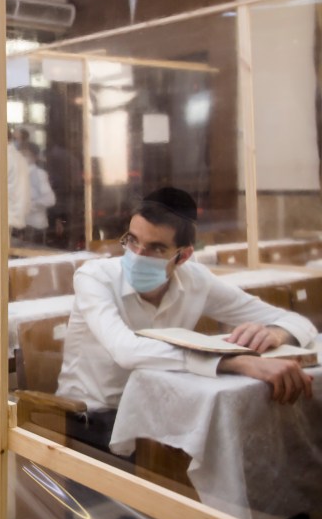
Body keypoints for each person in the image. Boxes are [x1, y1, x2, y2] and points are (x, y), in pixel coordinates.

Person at [56, 187, 316, 452]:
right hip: (93, 420)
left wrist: (276, 334)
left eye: (156, 248)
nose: (137, 255)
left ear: (183, 256)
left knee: (254, 447)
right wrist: (234, 362)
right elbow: (127, 351)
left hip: (161, 416)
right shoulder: (95, 277)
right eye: (132, 241)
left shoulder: (195, 279)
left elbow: (298, 323)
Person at [20, 144, 55, 243]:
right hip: (20, 225)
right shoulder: (17, 174)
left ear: (34, 157)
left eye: (26, 155)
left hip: (35, 226)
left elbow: (50, 199)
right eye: (20, 154)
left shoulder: (39, 174)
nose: (22, 158)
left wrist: (30, 206)